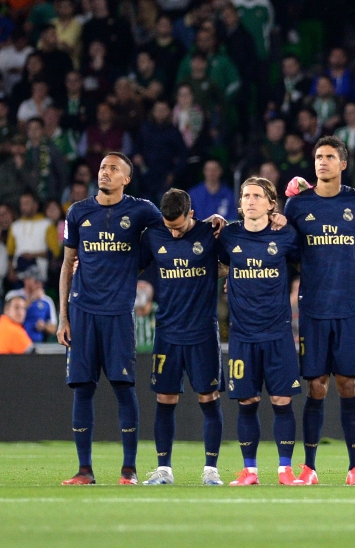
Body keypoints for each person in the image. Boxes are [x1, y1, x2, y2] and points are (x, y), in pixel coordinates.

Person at [57, 153, 165, 485]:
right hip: (82, 311)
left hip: (118, 313)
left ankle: (128, 469)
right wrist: (63, 316)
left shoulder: (141, 210)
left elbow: (173, 230)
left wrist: (140, 262)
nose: (105, 172)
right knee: (82, 388)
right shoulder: (77, 212)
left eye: (113, 169)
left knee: (123, 387)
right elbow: (67, 264)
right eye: (103, 167)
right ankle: (84, 470)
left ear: (126, 179)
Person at [284, 136, 355, 486]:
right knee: (315, 386)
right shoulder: (297, 206)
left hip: (346, 307)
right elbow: (284, 249)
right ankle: (309, 468)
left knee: (346, 385)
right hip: (312, 308)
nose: (321, 162)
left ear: (343, 163)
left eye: (329, 157)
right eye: (317, 157)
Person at [136, 189, 226, 486]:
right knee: (165, 398)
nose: (173, 233)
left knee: (208, 398)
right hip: (167, 333)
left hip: (202, 332)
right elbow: (130, 266)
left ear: (191, 214)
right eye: (169, 226)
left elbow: (235, 258)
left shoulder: (211, 233)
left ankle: (211, 470)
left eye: (178, 226)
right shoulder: (154, 236)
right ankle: (164, 470)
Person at [219, 177, 302, 486]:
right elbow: (217, 265)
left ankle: (285, 470)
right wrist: (230, 277)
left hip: (277, 332)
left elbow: (307, 265)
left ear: (271, 204)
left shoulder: (286, 236)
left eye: (257, 196)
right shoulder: (228, 236)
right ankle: (249, 470)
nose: (250, 200)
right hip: (242, 335)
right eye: (245, 195)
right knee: (246, 402)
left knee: (282, 401)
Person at [12, 266, 56, 342]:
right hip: (16, 340)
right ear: (26, 280)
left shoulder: (47, 301)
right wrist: (32, 298)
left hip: (38, 343)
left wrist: (44, 326)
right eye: (36, 281)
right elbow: (9, 317)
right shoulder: (14, 295)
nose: (39, 285)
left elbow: (53, 328)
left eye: (41, 282)